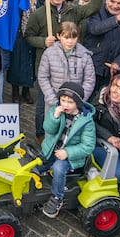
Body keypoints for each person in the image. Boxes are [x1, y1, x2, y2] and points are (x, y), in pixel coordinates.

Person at [39, 82, 96, 218]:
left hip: (71, 157)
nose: (65, 105)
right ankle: (35, 183)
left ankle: (57, 197)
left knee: (59, 168)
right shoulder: (56, 110)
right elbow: (48, 129)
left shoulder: (86, 121)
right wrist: (55, 117)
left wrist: (68, 153)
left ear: (78, 103)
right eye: (63, 100)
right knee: (36, 164)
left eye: (70, 102)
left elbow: (88, 146)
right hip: (52, 150)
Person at [36, 21, 95, 142]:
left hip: (75, 105)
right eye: (66, 37)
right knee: (51, 131)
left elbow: (89, 80)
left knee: (72, 134)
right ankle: (48, 156)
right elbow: (43, 77)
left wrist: (79, 100)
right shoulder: (49, 53)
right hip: (54, 102)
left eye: (74, 37)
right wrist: (53, 100)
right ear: (58, 36)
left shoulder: (85, 55)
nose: (70, 41)